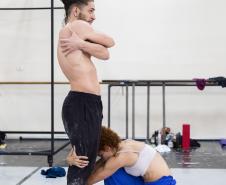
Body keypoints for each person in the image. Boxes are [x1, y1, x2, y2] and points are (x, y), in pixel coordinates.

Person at [58, 0, 115, 184]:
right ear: (76, 10)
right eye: (90, 11)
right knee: (82, 163)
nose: (93, 16)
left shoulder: (70, 31)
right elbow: (109, 43)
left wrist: (81, 44)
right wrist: (82, 43)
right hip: (82, 103)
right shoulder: (77, 26)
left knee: (84, 162)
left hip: (83, 103)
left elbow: (105, 53)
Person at [67, 126, 176, 185]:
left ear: (107, 148)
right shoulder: (119, 146)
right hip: (145, 181)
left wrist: (74, 179)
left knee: (108, 172)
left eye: (101, 154)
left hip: (163, 183)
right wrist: (72, 161)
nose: (101, 158)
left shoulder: (122, 156)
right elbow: (95, 167)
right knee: (110, 171)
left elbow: (92, 179)